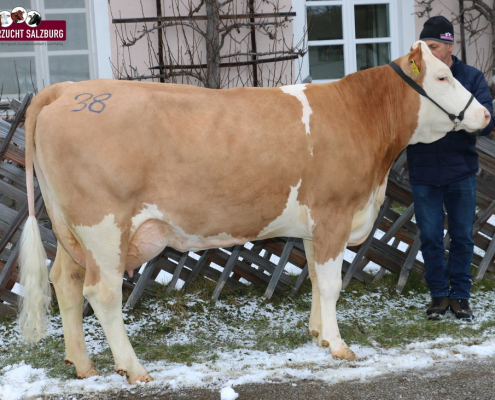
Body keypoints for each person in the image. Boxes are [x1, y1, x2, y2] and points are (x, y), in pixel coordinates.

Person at [407, 16, 494, 321]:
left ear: (449, 45)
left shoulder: (470, 77)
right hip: (423, 171)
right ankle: (438, 297)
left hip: (461, 171)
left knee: (462, 236)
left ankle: (460, 296)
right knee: (430, 236)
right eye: (424, 47)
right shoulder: (415, 77)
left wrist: (455, 121)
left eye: (434, 47)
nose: (429, 53)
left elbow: (487, 121)